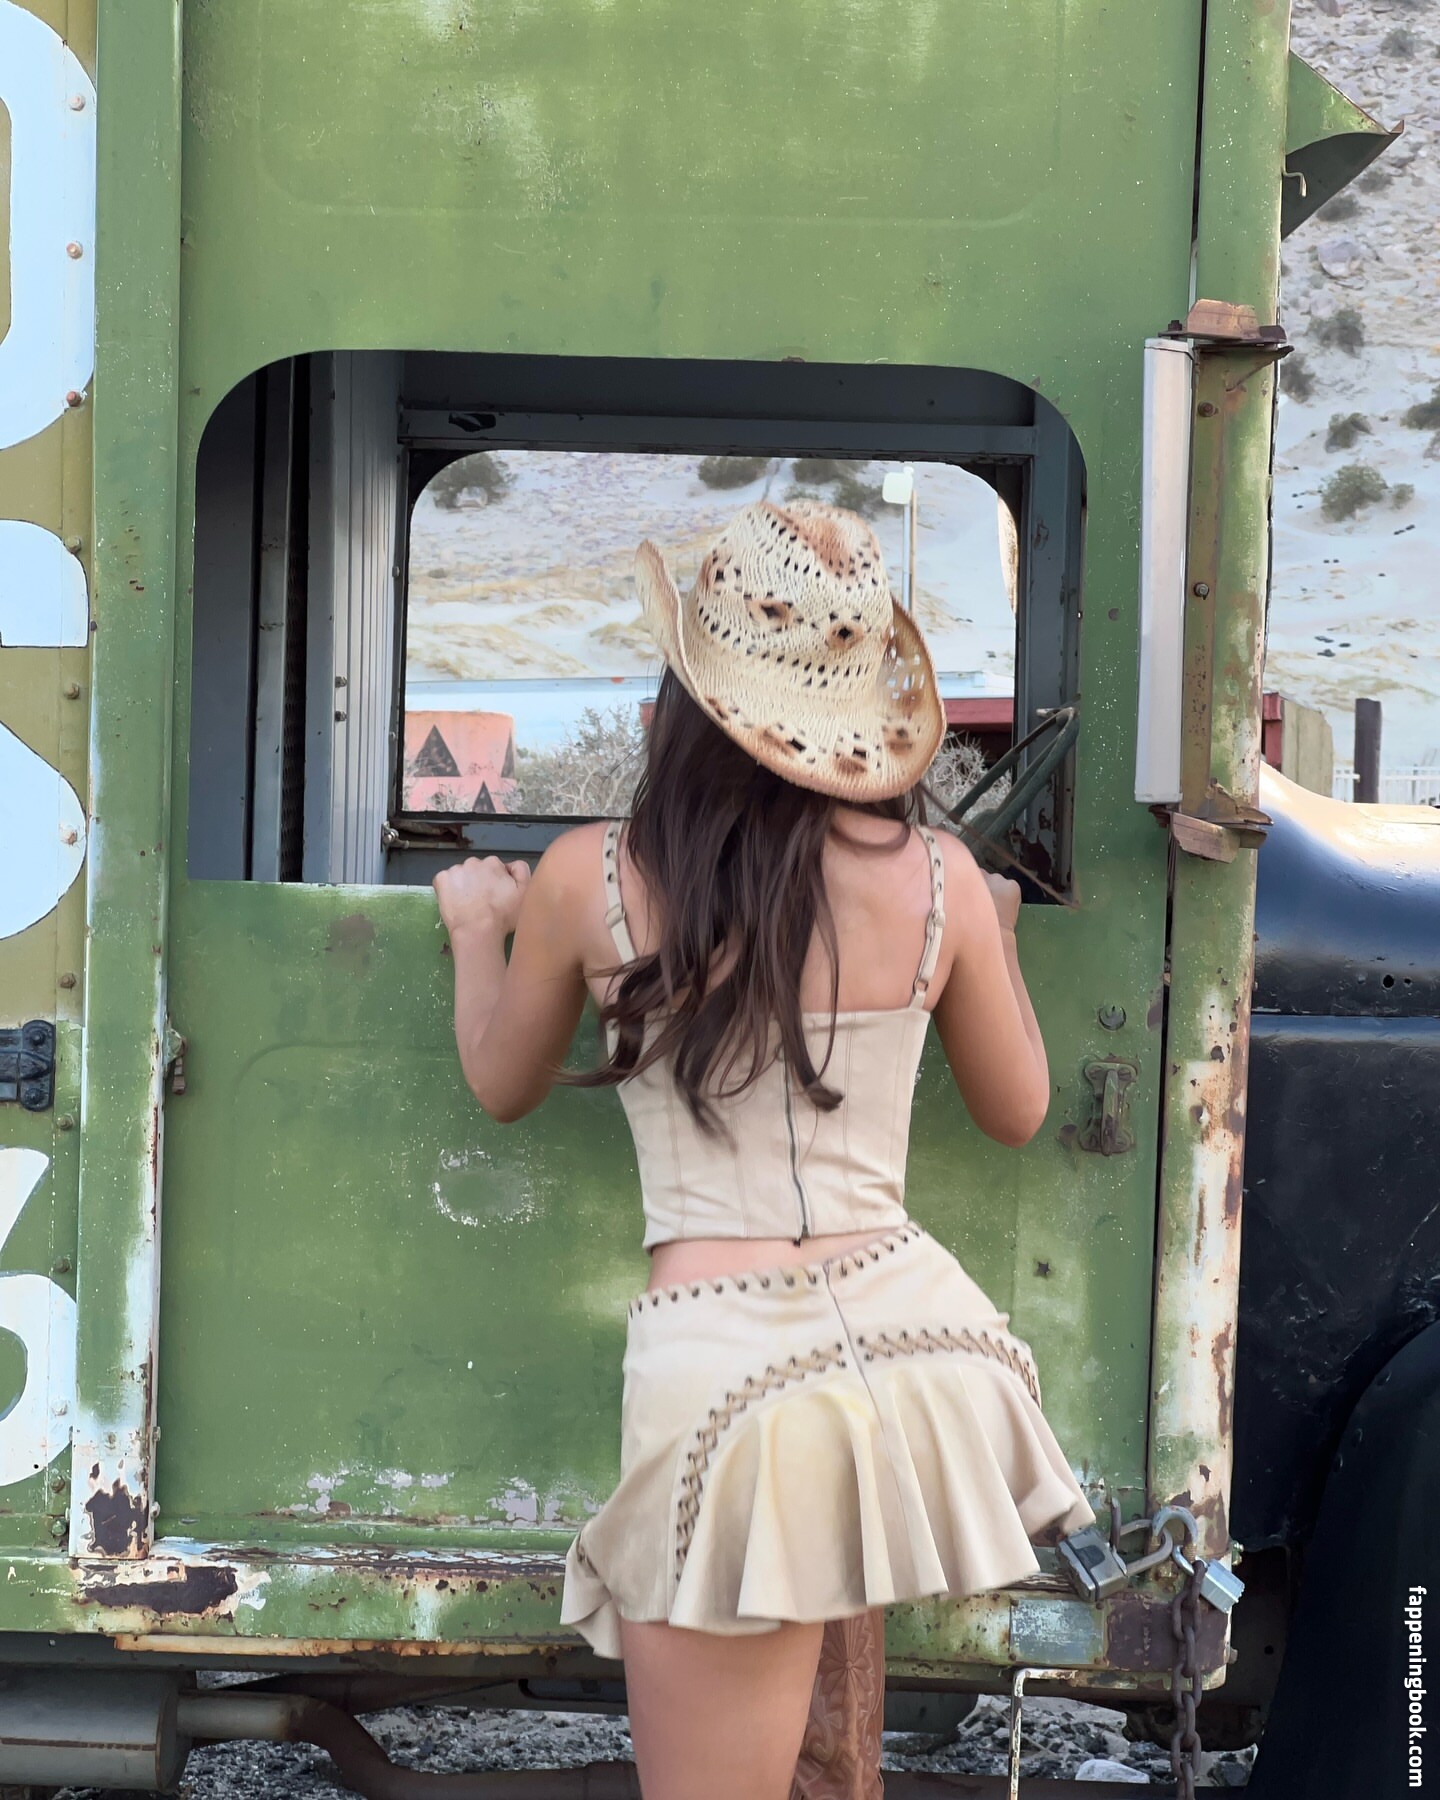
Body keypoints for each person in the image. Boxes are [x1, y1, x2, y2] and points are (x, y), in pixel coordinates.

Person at [434, 498, 1096, 1800]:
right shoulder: (941, 881)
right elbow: (1019, 1108)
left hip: (728, 1383)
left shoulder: (591, 876)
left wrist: (473, 931)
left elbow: (502, 1085)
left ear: (687, 696)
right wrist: (998, 933)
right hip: (917, 1348)